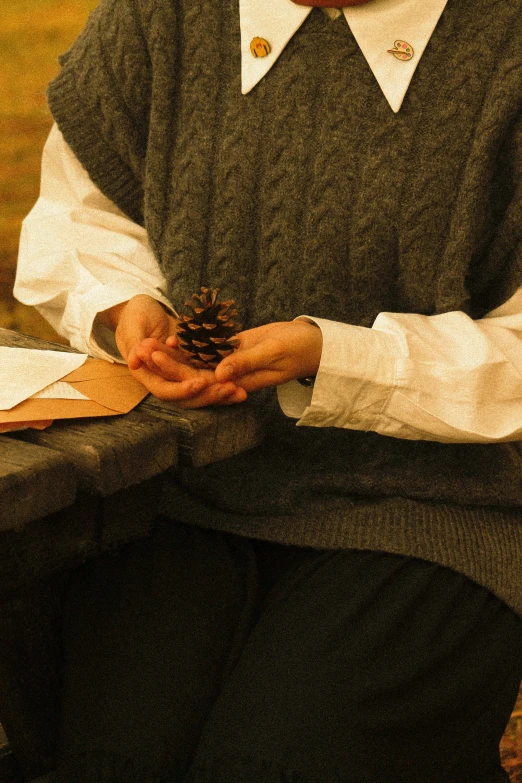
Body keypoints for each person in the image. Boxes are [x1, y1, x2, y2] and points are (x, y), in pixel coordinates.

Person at [14, 0, 522, 780]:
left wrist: (339, 357)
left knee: (270, 762)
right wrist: (126, 306)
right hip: (175, 490)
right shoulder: (161, 16)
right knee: (109, 758)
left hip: (438, 512)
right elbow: (86, 215)